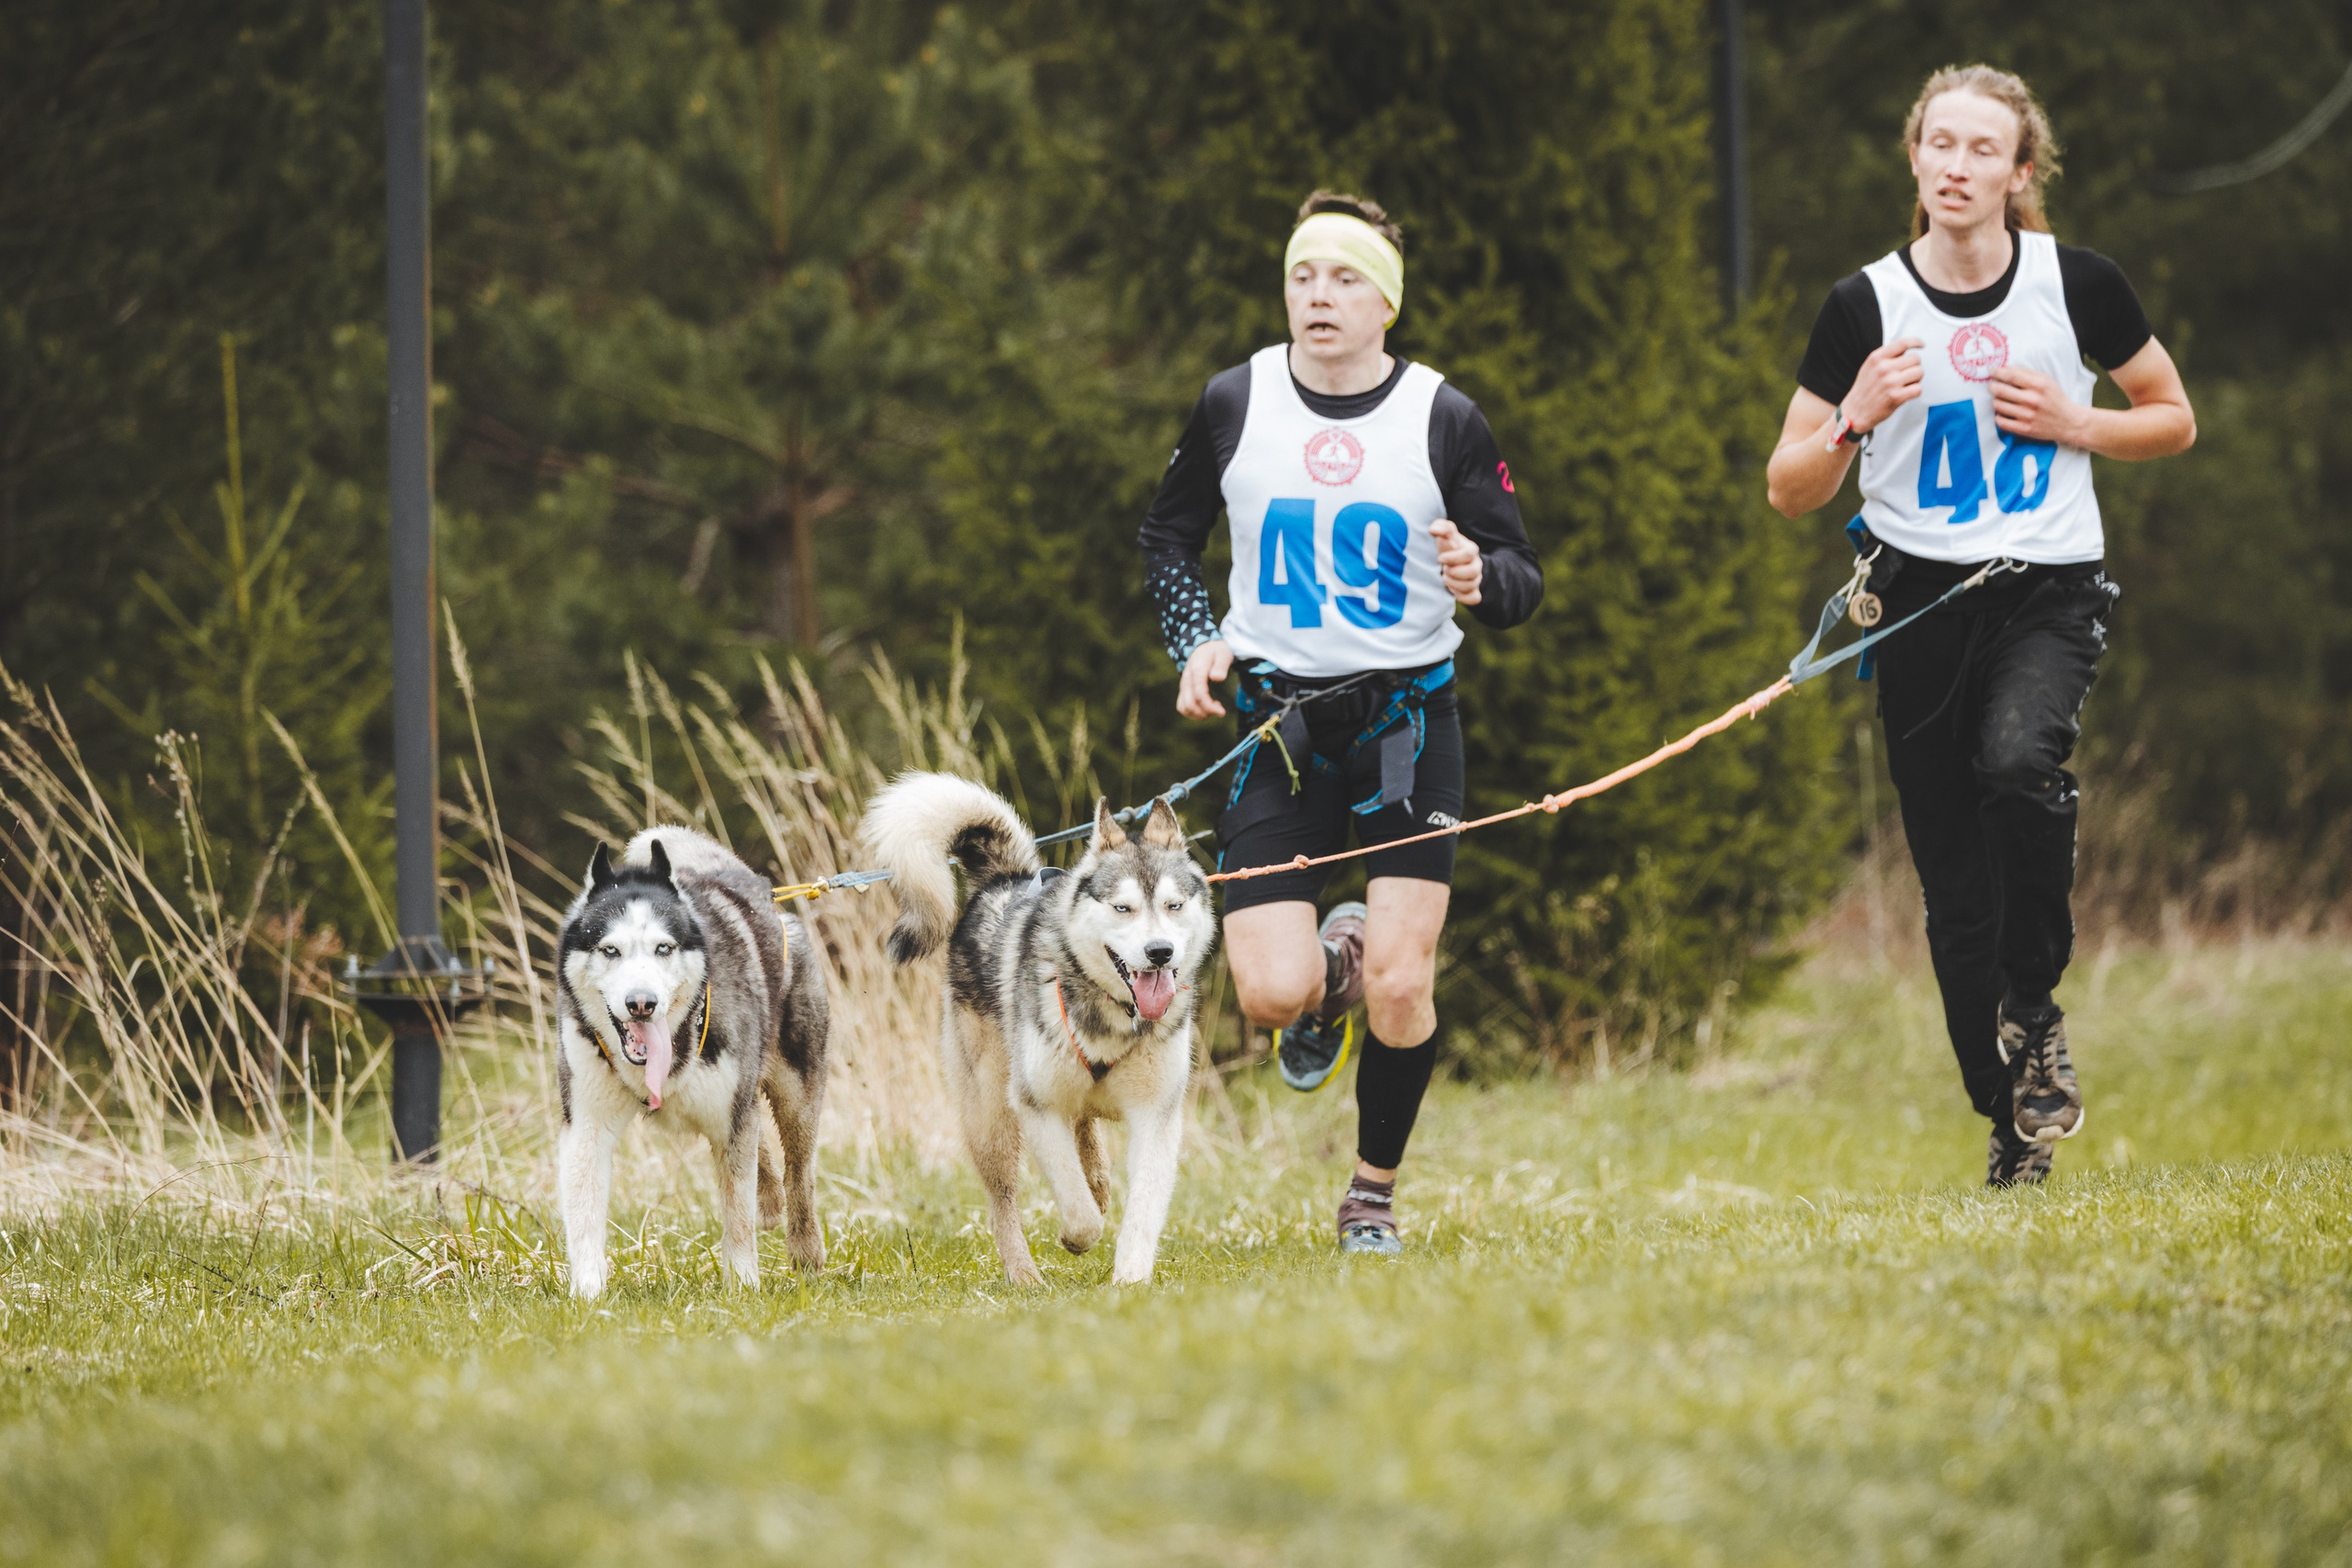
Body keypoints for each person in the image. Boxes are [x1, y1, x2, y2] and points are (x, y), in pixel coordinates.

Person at [1765, 66, 2196, 1187]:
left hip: (2045, 588)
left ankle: (2035, 1012)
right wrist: (1854, 418)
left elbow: (2173, 417)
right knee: (1952, 891)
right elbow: (1787, 486)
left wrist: (2077, 421)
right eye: (1938, 145)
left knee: (2019, 760)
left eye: (1980, 150)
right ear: (1914, 160)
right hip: (1913, 601)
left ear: (2018, 171)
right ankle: (2009, 1117)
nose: (1956, 167)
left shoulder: (2077, 285)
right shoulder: (1861, 306)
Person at [1137, 190, 1543, 1253]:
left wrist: (1475, 573)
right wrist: (1198, 645)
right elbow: (1164, 537)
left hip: (1406, 718)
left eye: (1345, 278)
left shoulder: (1442, 418)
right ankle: (1332, 972)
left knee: (1407, 984)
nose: (1318, 296)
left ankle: (1370, 1191)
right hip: (1273, 727)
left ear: (1386, 303)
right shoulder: (1234, 401)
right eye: (1302, 276)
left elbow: (1520, 577)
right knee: (1272, 995)